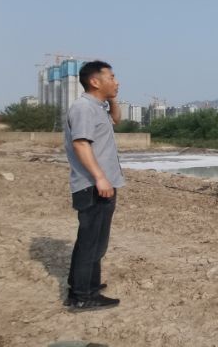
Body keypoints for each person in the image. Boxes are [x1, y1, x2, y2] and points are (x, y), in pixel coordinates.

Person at [63, 60, 125, 311]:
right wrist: (100, 177)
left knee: (95, 240)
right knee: (91, 242)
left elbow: (116, 120)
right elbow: (81, 144)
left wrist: (113, 99)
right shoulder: (83, 108)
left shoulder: (98, 107)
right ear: (95, 81)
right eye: (111, 77)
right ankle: (82, 296)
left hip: (102, 184)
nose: (116, 81)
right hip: (92, 186)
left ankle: (86, 285)